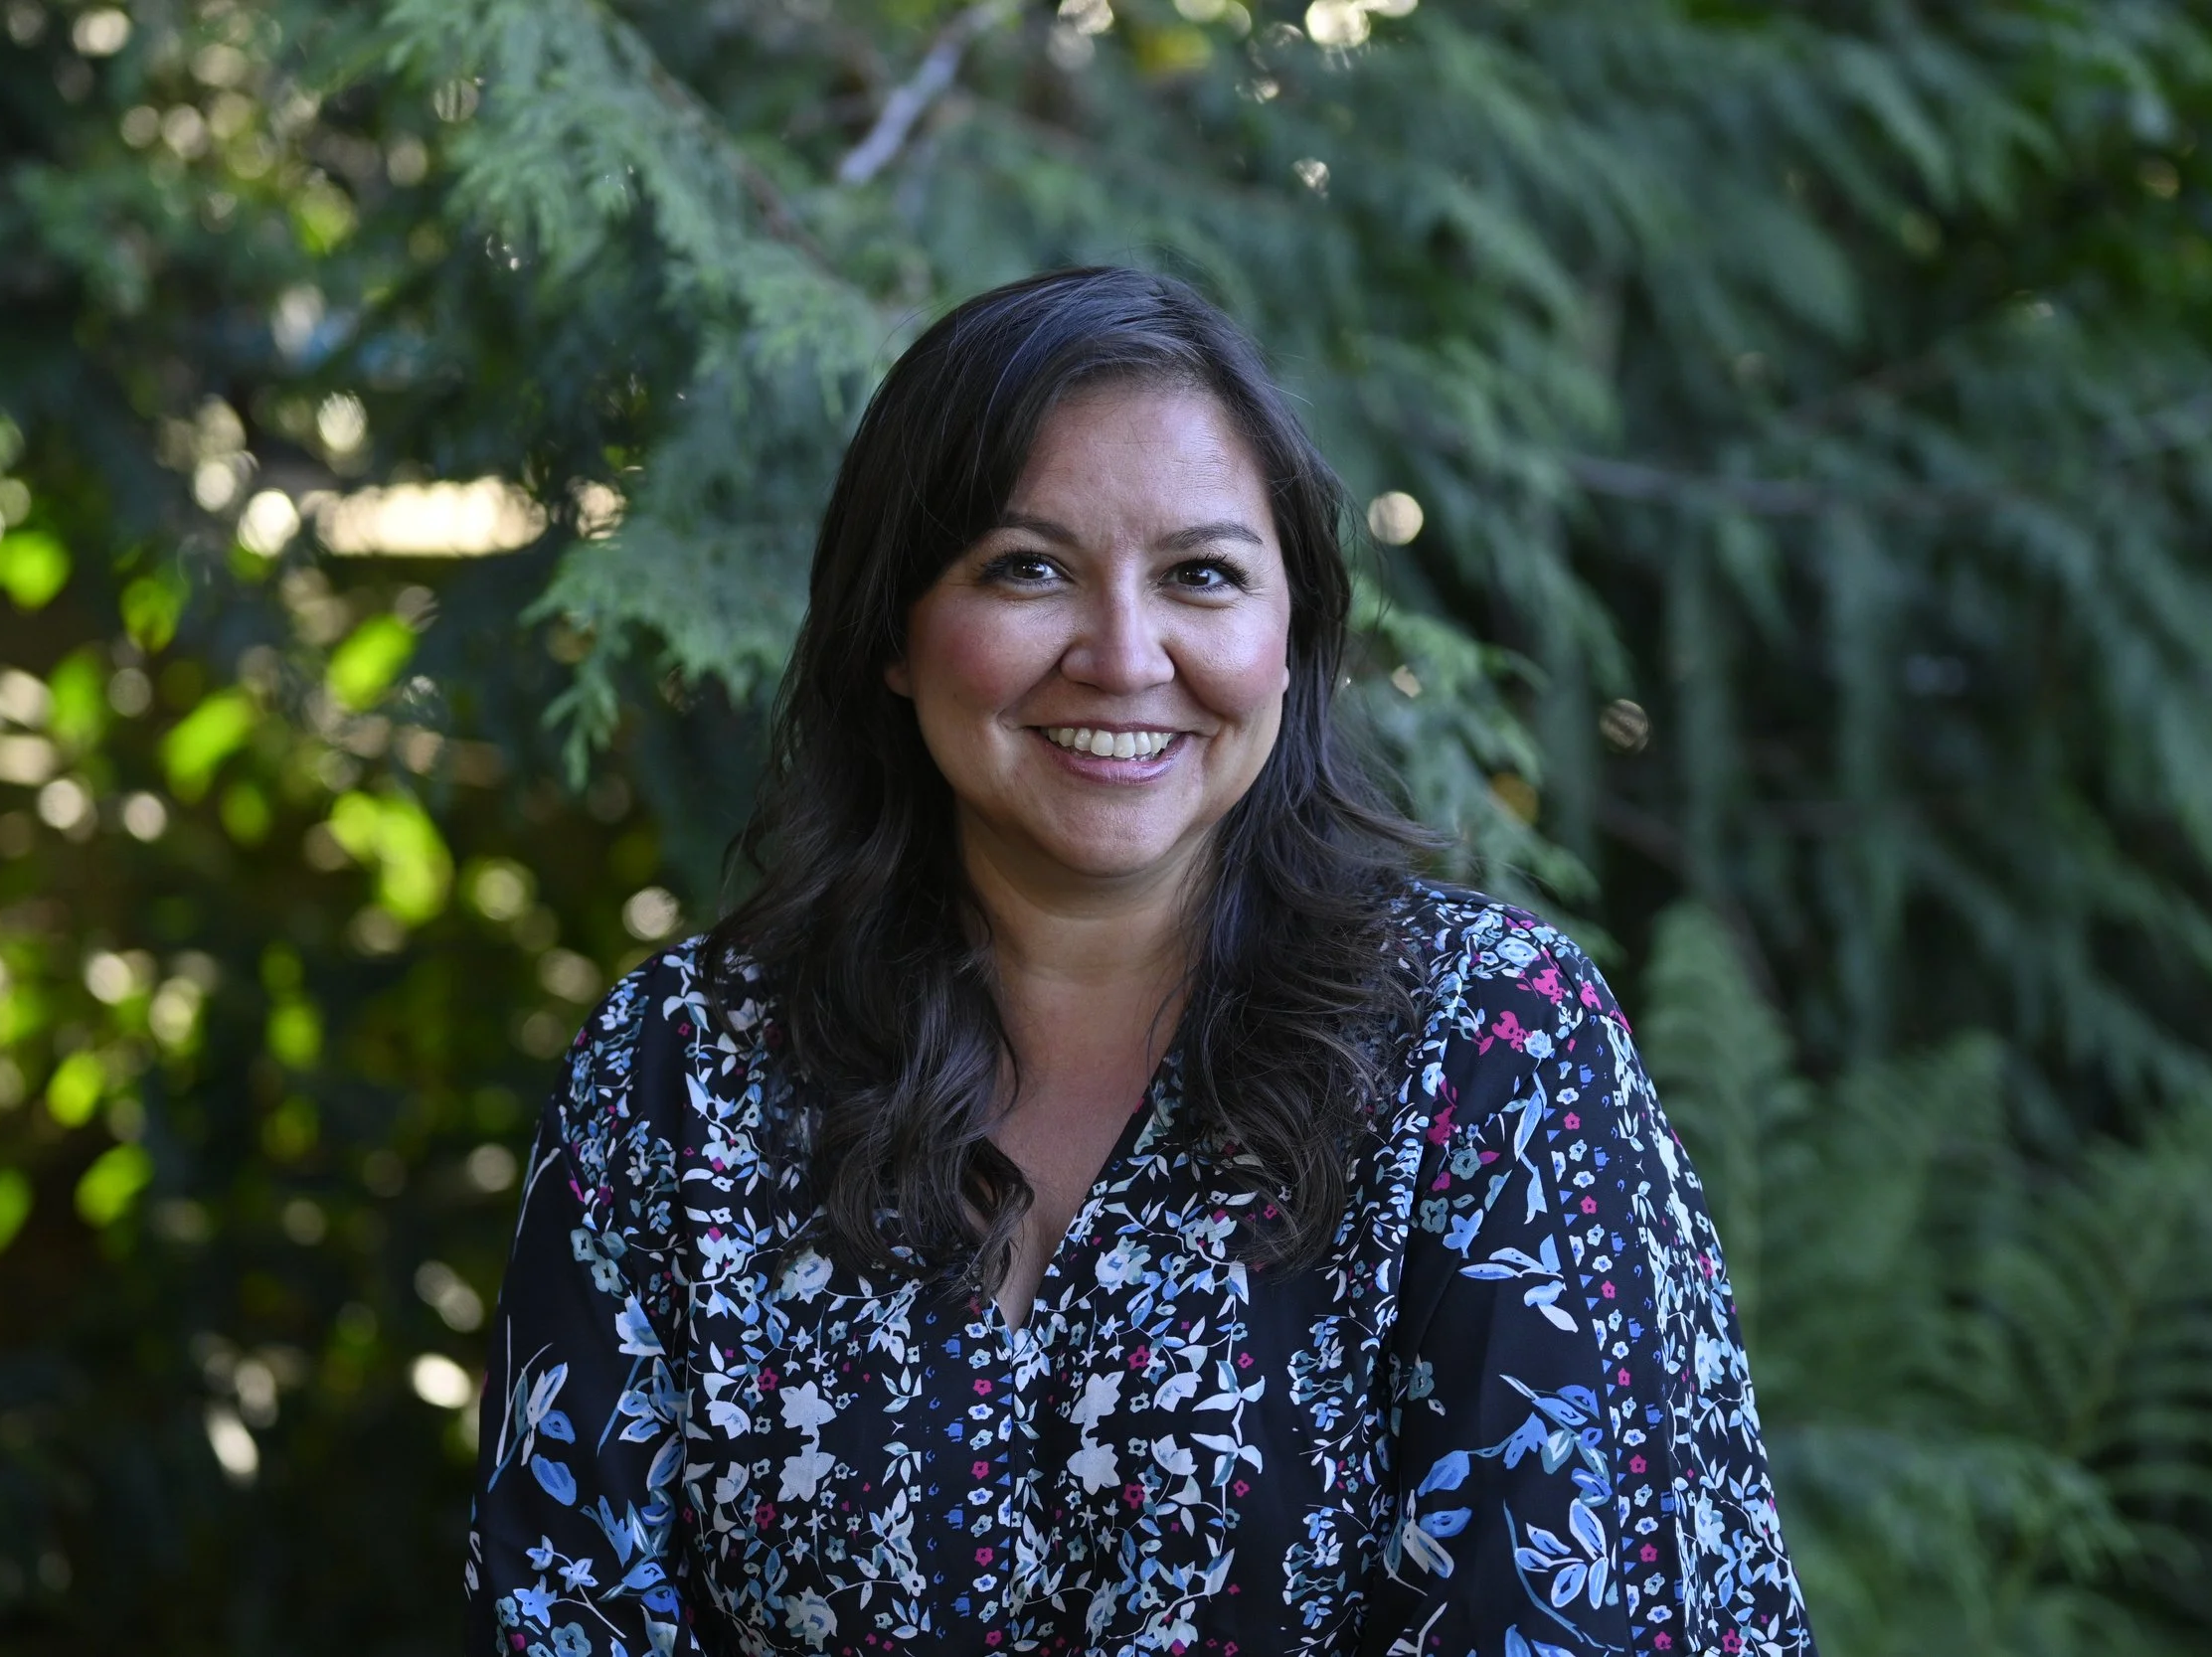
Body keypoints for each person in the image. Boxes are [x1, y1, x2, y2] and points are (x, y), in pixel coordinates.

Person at [466, 266, 1816, 1657]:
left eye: (1202, 575)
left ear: (1289, 638)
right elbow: (564, 1610)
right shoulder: (682, 1072)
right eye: (1028, 567)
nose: (1123, 655)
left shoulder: (1489, 1049)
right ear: (892, 628)